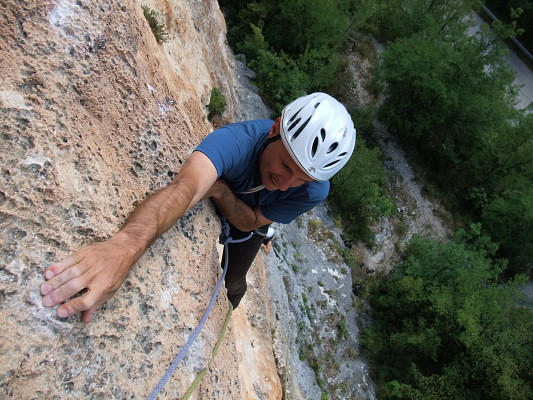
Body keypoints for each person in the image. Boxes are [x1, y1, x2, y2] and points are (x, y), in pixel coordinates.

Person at [40, 92, 356, 322]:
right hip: (246, 208)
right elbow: (185, 189)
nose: (287, 184)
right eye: (286, 166)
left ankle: (232, 304)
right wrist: (124, 248)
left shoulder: (315, 189)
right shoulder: (234, 143)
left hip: (253, 220)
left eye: (300, 179)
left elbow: (250, 222)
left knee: (234, 279)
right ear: (274, 131)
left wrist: (220, 190)